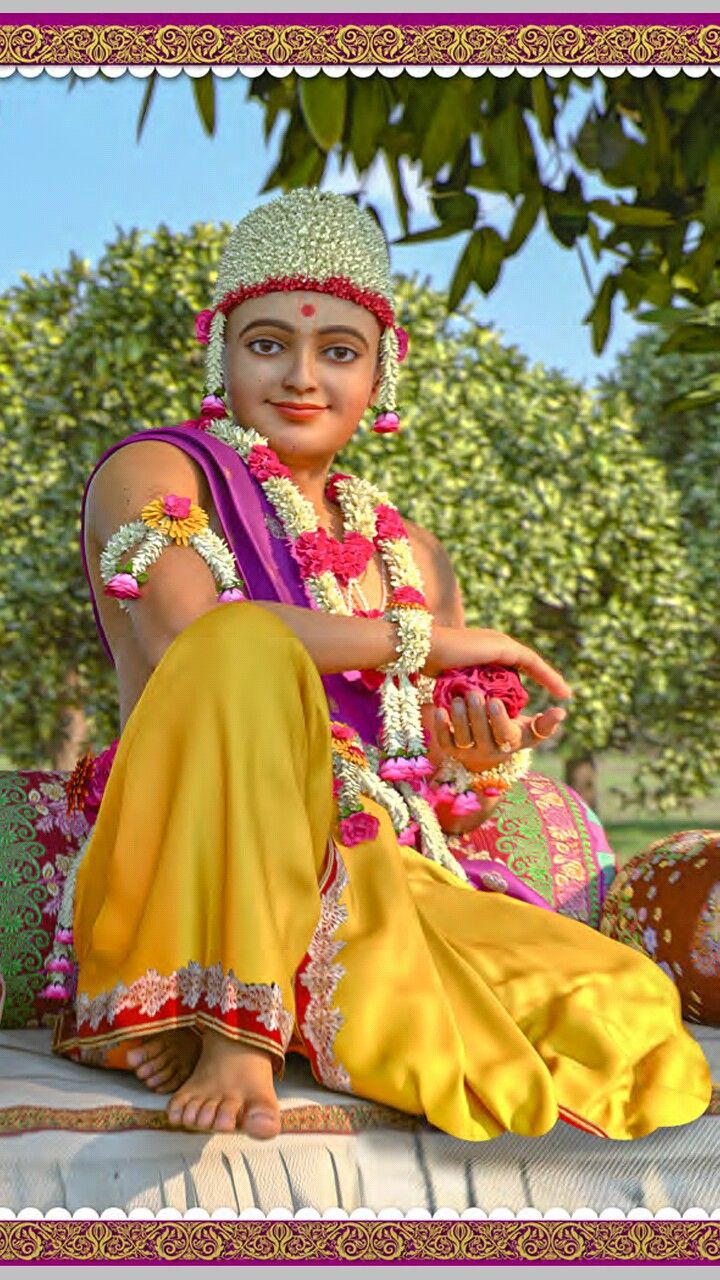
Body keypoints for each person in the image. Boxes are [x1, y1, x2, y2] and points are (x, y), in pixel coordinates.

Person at [50, 189, 710, 1143]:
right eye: (268, 344)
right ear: (220, 353)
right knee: (240, 644)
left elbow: (442, 797)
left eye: (340, 352)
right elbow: (195, 639)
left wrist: (474, 754)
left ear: (381, 372)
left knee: (622, 1000)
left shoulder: (409, 552)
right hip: (191, 856)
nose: (302, 377)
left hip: (370, 867)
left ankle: (242, 1013)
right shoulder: (153, 474)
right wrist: (427, 644)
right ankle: (236, 1029)